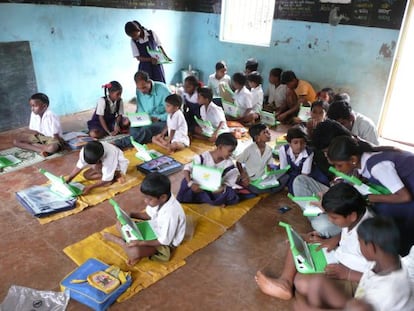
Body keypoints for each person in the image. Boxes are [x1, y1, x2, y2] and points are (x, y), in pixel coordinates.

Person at [255, 183, 374, 301]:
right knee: (299, 240)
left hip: (355, 279)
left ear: (352, 216)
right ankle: (285, 282)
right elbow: (349, 232)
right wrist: (333, 239)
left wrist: (348, 274)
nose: (330, 220)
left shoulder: (370, 238)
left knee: (302, 283)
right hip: (339, 257)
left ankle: (290, 282)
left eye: (334, 217)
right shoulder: (356, 216)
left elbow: (384, 276)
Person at [293, 216, 414, 311]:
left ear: (371, 247)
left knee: (357, 307)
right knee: (317, 282)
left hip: (363, 308)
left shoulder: (390, 290)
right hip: (361, 301)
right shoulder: (384, 262)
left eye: (359, 243)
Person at [327, 135, 414, 255]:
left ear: (353, 159)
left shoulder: (377, 167)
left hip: (408, 196)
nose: (337, 169)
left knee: (382, 212)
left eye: (339, 165)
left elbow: (405, 197)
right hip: (408, 190)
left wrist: (370, 198)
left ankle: (399, 254)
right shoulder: (365, 160)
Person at [103, 172, 186, 266]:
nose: (146, 201)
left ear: (163, 197)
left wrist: (140, 243)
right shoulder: (159, 199)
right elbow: (149, 215)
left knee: (134, 252)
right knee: (120, 224)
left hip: (163, 242)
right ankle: (130, 243)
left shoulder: (171, 214)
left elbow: (164, 241)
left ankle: (120, 241)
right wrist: (131, 215)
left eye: (149, 199)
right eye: (145, 197)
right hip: (152, 228)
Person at [176, 132, 240, 206]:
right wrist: (191, 183)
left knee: (230, 193)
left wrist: (221, 188)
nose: (231, 154)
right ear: (220, 147)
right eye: (230, 151)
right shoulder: (203, 158)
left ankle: (210, 200)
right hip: (197, 186)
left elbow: (229, 183)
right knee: (185, 182)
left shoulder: (229, 165)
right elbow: (187, 169)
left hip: (214, 190)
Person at [114, 71, 170, 148]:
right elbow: (140, 109)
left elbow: (173, 112)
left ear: (149, 82)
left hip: (163, 121)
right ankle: (144, 138)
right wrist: (135, 118)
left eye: (144, 87)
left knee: (146, 129)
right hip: (147, 119)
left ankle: (119, 143)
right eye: (139, 88)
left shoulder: (163, 90)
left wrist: (158, 118)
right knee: (133, 127)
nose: (142, 91)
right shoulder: (139, 91)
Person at [236, 123, 287, 194]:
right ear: (257, 138)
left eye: (268, 131)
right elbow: (238, 162)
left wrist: (270, 174)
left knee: (286, 176)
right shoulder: (249, 150)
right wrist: (243, 176)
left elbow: (269, 165)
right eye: (265, 132)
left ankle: (269, 187)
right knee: (259, 189)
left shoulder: (269, 149)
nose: (269, 134)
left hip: (264, 177)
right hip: (253, 178)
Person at [14, 93, 64, 157]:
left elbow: (56, 136)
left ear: (44, 106)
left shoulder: (51, 115)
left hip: (53, 139)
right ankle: (41, 150)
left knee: (52, 148)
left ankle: (39, 148)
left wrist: (61, 144)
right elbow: (35, 132)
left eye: (34, 106)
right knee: (16, 141)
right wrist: (35, 139)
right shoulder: (33, 114)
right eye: (31, 106)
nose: (32, 108)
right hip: (41, 137)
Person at [278, 126, 314, 193]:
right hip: (288, 172)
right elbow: (283, 169)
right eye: (295, 143)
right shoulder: (283, 150)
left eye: (302, 143)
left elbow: (304, 174)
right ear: (289, 143)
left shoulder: (309, 153)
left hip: (302, 175)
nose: (299, 146)